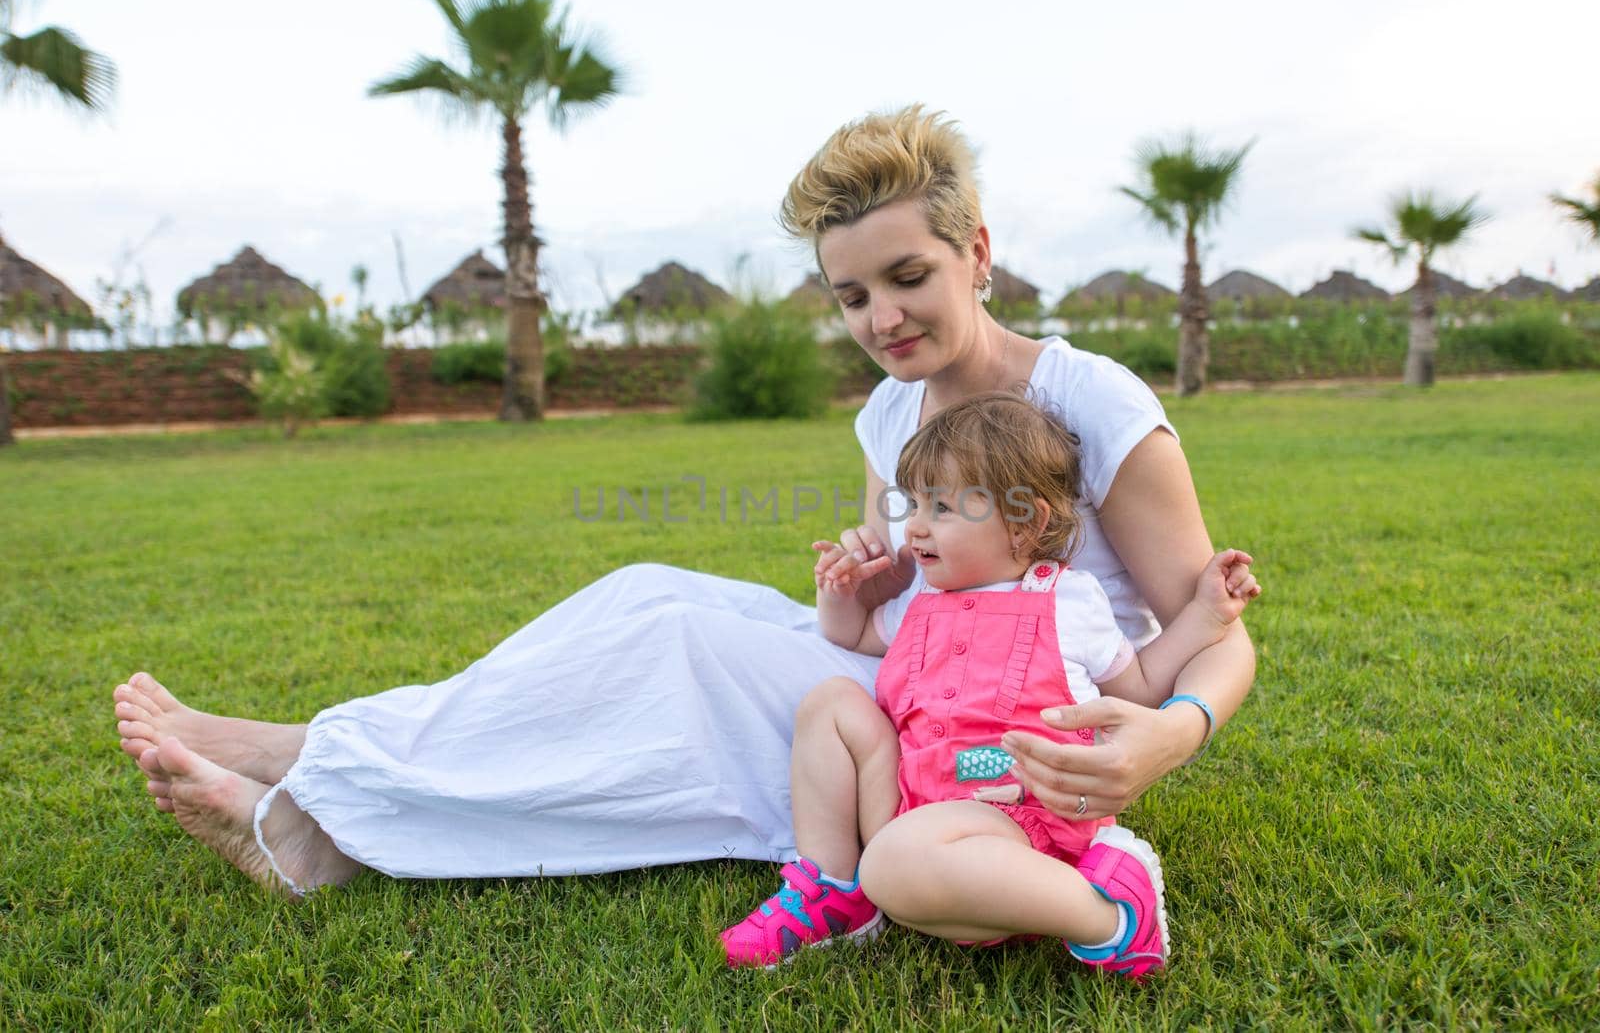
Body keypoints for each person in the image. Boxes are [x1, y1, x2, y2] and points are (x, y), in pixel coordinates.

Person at [112, 105, 1256, 894]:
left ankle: (318, 828)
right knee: (640, 590)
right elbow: (906, 596)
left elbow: (1216, 626)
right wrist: (860, 585)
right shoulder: (886, 414)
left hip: (1014, 737)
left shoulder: (1090, 397)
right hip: (908, 670)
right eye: (852, 296)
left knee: (675, 649)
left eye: (908, 278)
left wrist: (1163, 737)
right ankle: (324, 753)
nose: (883, 319)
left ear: (976, 253)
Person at [718, 392, 1259, 976]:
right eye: (913, 504)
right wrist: (840, 592)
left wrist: (1204, 618)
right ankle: (835, 890)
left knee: (894, 864)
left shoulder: (1066, 600)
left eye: (944, 509)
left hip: (1017, 811)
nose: (916, 525)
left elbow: (1140, 685)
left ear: (1026, 523)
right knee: (831, 703)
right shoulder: (921, 600)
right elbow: (853, 636)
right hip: (917, 801)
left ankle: (1111, 915)